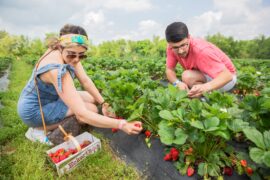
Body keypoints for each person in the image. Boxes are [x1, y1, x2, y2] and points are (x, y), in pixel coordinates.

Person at [17, 24, 142, 145]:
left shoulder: (65, 52)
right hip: (34, 110)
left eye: (81, 55)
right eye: (72, 54)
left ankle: (45, 124)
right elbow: (83, 115)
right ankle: (39, 129)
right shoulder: (57, 70)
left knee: (92, 98)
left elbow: (85, 81)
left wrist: (104, 103)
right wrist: (121, 124)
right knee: (91, 109)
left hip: (50, 98)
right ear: (60, 47)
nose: (76, 60)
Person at [165, 22, 237, 98]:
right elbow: (169, 70)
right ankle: (201, 95)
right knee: (187, 77)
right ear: (170, 44)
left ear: (189, 38)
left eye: (183, 45)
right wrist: (177, 83)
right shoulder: (171, 47)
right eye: (176, 47)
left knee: (187, 76)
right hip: (206, 74)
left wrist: (205, 87)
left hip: (226, 79)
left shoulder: (201, 50)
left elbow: (228, 76)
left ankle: (206, 97)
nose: (180, 51)